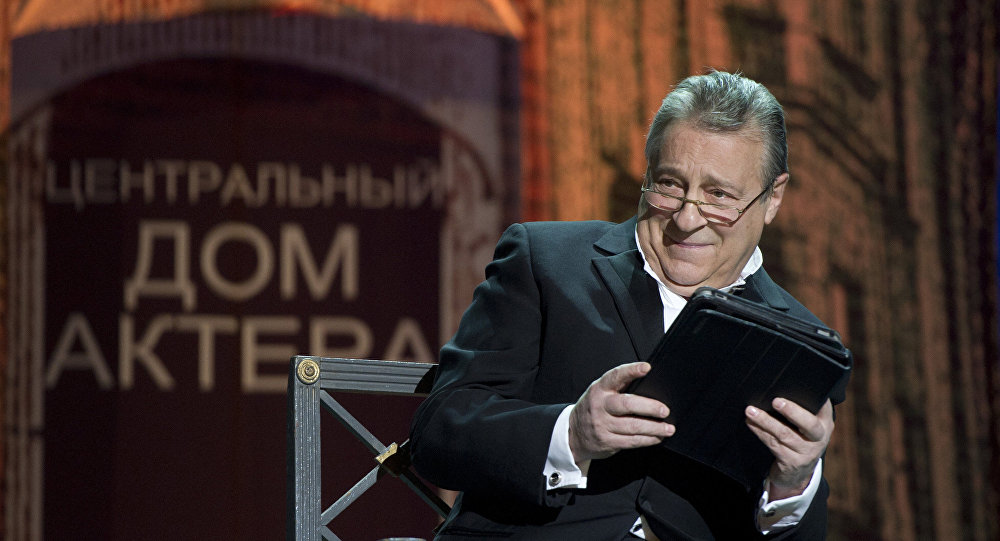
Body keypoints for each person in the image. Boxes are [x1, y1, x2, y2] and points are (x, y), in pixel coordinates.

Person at [409, 70, 844, 540]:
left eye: (718, 196)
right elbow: (439, 433)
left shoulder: (799, 341)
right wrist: (572, 434)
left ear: (772, 198)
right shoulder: (546, 262)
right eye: (670, 184)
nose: (687, 218)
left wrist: (794, 484)